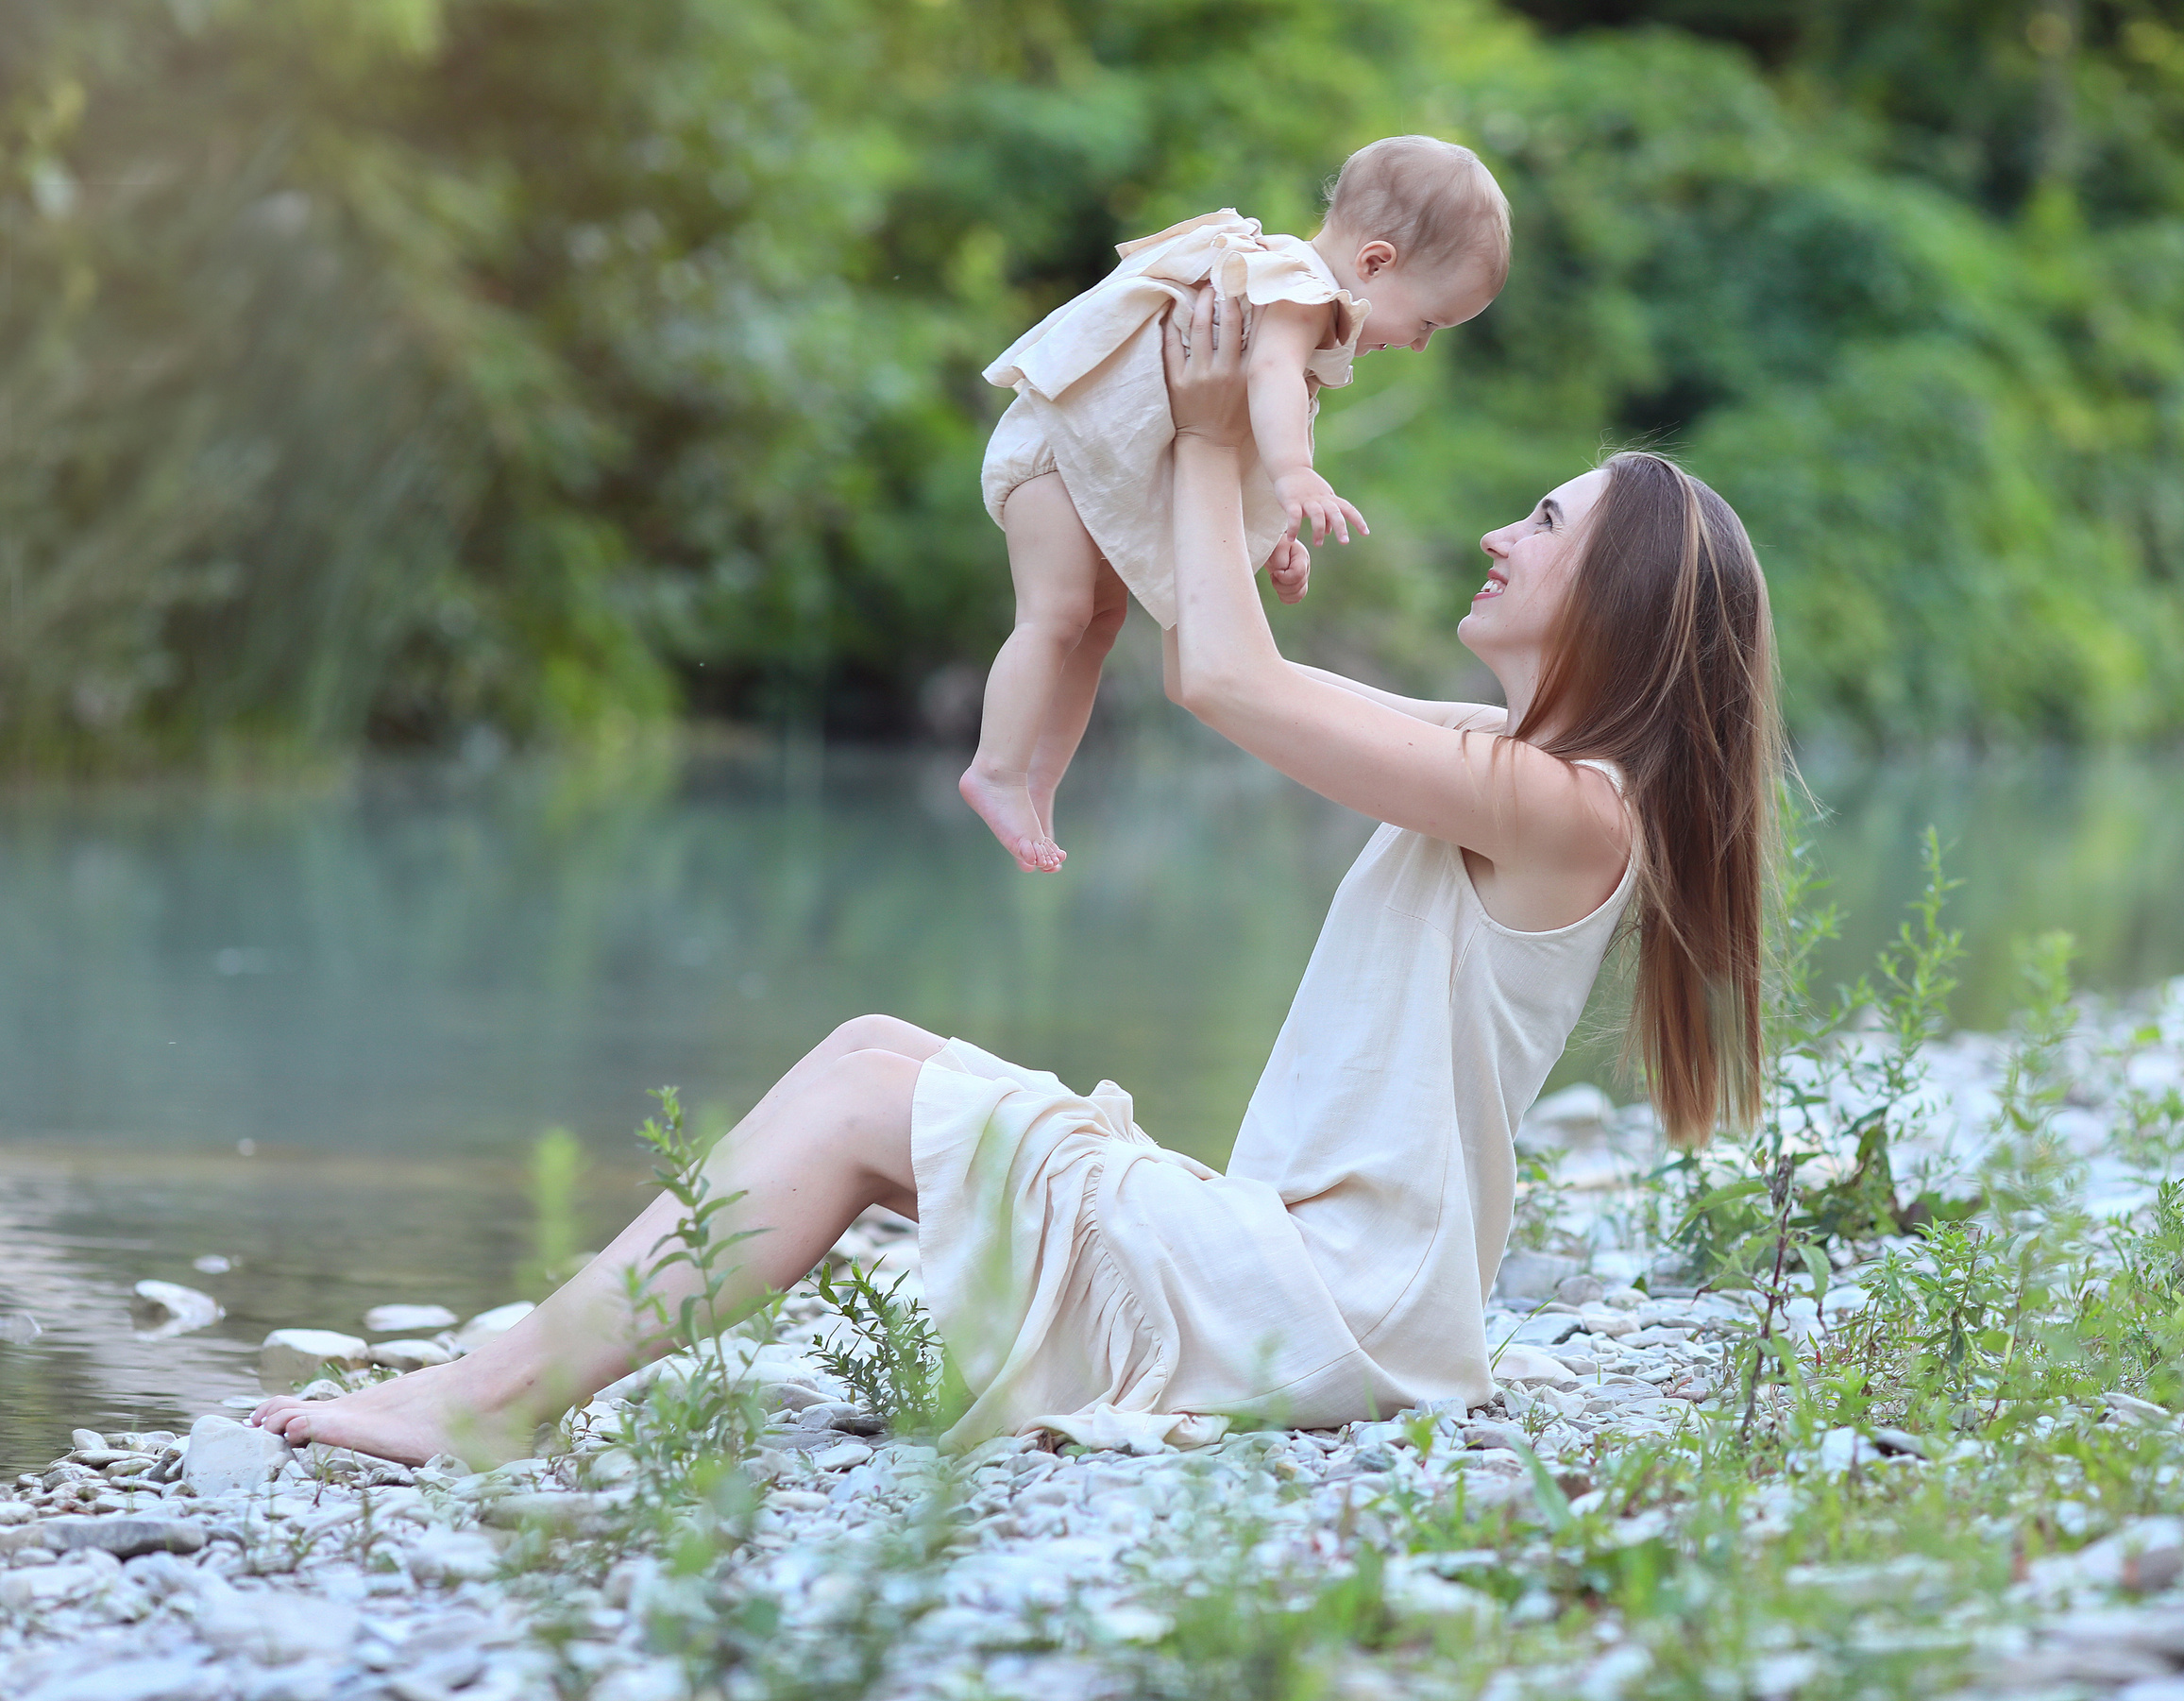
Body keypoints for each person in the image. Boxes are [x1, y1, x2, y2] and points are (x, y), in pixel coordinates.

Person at [249, 283, 1778, 1467]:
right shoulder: (1519, 770)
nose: (1508, 534)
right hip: (1307, 1285)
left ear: (1619, 601)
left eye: (1550, 522)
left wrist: (1202, 430)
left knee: (860, 1104)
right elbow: (1242, 661)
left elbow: (1224, 687)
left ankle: (488, 1399)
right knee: (872, 1056)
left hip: (1324, 1313)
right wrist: (1220, 467)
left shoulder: (1568, 809)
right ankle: (499, 1380)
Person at [959, 135, 1511, 873]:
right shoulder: (1297, 290)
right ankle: (994, 767)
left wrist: (1274, 526)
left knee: (1097, 623)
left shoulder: (1290, 298)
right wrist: (1296, 475)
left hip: (1090, 465)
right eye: (1429, 323)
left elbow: (1234, 429)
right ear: (1376, 263)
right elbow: (1272, 373)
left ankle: (1037, 780)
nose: (1418, 347)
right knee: (1057, 614)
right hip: (1055, 450)